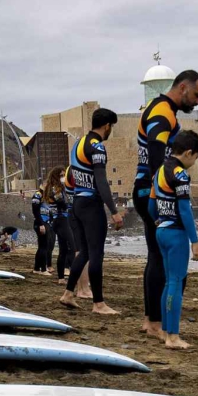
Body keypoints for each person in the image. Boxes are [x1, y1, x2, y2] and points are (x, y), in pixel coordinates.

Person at [132, 70, 198, 338]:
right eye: (197, 95)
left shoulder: (163, 111)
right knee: (164, 262)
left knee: (156, 257)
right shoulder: (163, 111)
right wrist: (162, 191)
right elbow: (154, 154)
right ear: (182, 87)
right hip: (150, 191)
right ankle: (155, 323)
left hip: (147, 191)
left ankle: (150, 320)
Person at [60, 108, 125, 314]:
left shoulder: (78, 143)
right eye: (111, 127)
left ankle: (68, 294)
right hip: (91, 205)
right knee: (96, 253)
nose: (111, 131)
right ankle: (99, 304)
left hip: (77, 204)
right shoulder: (96, 147)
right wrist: (113, 210)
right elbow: (101, 181)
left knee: (85, 252)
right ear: (107, 126)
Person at [154, 131, 198, 349]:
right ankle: (173, 337)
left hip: (162, 232)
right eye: (195, 159)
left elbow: (151, 203)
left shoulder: (159, 171)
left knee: (168, 282)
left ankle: (166, 330)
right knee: (176, 282)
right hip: (176, 235)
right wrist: (195, 242)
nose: (193, 163)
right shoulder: (180, 175)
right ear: (188, 153)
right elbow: (185, 210)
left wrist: (157, 219)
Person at [30, 183, 54, 274]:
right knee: (44, 246)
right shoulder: (38, 195)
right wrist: (41, 224)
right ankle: (43, 269)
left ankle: (36, 268)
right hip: (41, 222)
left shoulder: (46, 197)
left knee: (41, 246)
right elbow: (35, 211)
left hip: (45, 222)